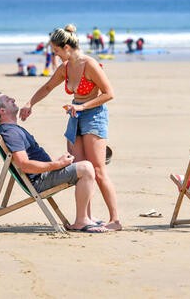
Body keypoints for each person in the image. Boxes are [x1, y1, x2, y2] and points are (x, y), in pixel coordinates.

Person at [19, 26, 122, 231]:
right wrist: (30, 103)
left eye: (56, 51)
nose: (55, 55)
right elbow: (48, 87)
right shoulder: (65, 67)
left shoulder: (90, 64)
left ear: (66, 47)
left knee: (99, 170)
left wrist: (82, 106)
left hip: (94, 115)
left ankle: (115, 220)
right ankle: (87, 218)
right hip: (75, 117)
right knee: (85, 170)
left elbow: (109, 93)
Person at [0, 92, 108, 233]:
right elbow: (24, 164)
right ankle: (81, 221)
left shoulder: (13, 129)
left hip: (44, 173)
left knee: (85, 164)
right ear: (2, 111)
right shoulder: (10, 133)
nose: (13, 99)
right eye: (8, 100)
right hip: (40, 180)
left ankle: (87, 216)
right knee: (86, 168)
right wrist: (56, 165)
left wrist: (58, 163)